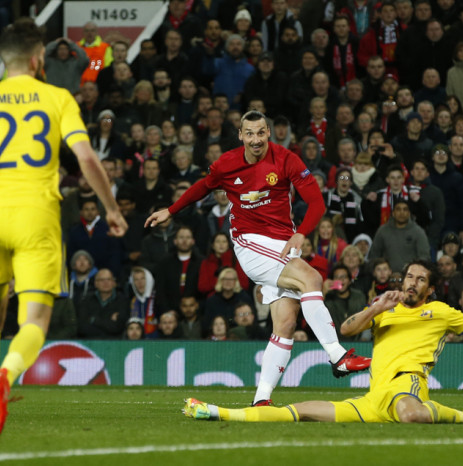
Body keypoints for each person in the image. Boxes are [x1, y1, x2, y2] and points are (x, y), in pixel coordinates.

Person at [0, 18, 127, 438]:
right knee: (35, 318)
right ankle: (6, 376)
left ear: (2, 57)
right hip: (37, 215)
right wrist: (111, 208)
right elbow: (86, 159)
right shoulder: (57, 98)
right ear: (37, 59)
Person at [145, 111, 371, 405]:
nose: (255, 140)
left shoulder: (286, 159)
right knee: (313, 278)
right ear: (240, 135)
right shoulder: (227, 164)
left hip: (282, 242)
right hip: (249, 242)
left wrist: (301, 233)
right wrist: (171, 210)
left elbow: (315, 201)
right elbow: (204, 186)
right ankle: (337, 356)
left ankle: (260, 400)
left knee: (287, 322)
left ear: (269, 134)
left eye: (261, 133)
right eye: (249, 133)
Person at [183, 260, 463, 424]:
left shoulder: (440, 312)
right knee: (299, 411)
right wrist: (375, 308)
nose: (412, 283)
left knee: (412, 415)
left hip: (408, 384)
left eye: (421, 280)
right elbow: (347, 331)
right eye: (409, 277)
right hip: (373, 397)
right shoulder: (385, 307)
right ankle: (218, 412)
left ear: (429, 287)